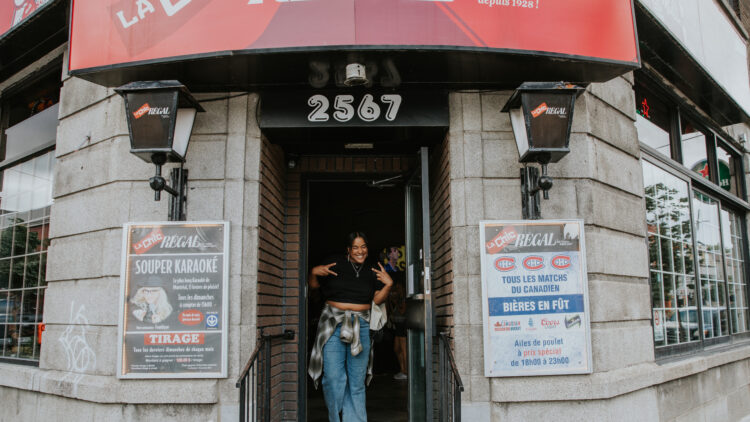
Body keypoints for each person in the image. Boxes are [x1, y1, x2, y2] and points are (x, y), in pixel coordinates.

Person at [308, 232, 393, 422]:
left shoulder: (373, 268)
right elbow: (313, 287)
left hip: (361, 325)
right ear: (348, 249)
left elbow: (377, 300)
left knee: (356, 382)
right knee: (333, 378)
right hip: (333, 323)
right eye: (355, 247)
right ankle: (335, 418)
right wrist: (313, 272)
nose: (360, 251)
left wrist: (388, 285)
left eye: (363, 247)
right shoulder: (334, 262)